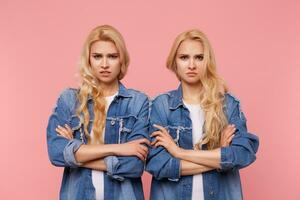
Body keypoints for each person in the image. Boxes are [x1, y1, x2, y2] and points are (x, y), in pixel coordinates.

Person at [146, 29, 259, 200]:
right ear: (174, 62)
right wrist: (219, 156)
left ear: (208, 61)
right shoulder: (161, 105)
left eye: (199, 57)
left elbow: (242, 154)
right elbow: (158, 164)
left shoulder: (227, 104)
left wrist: (178, 152)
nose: (192, 65)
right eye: (184, 58)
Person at [47, 25, 150, 200]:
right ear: (88, 60)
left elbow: (134, 165)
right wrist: (121, 148)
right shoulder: (70, 100)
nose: (104, 64)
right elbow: (57, 153)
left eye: (112, 56)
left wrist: (76, 154)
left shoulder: (138, 102)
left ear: (122, 60)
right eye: (97, 56)